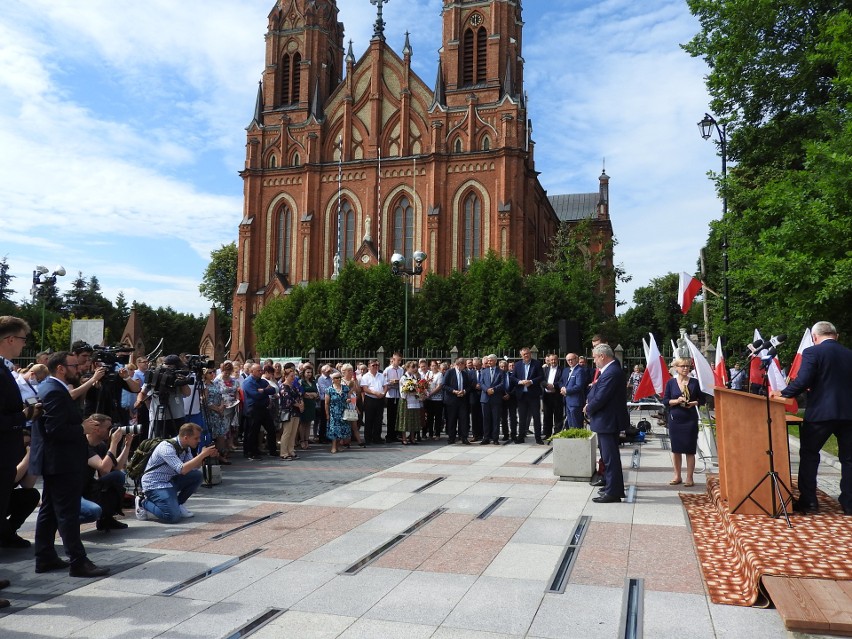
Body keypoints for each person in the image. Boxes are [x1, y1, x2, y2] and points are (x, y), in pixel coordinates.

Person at [32, 351, 109, 577]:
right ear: (61, 368)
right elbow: (54, 430)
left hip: (58, 460)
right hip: (62, 461)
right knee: (67, 512)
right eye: (75, 366)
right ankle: (78, 561)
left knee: (49, 511)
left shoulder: (52, 387)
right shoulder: (54, 391)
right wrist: (81, 429)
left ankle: (45, 556)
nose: (80, 369)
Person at [770, 321, 852, 515]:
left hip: (820, 415)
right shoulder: (849, 354)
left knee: (809, 455)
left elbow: (804, 379)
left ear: (815, 338)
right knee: (849, 460)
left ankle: (809, 502)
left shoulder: (813, 352)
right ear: (836, 336)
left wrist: (784, 393)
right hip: (849, 414)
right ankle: (849, 504)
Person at [0, 317, 36, 607]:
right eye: (23, 339)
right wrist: (21, 417)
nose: (25, 344)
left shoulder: (3, 367)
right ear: (10, 339)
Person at [136, 422, 218, 523]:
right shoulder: (166, 447)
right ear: (186, 437)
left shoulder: (185, 447)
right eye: (196, 438)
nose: (199, 441)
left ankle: (178, 504)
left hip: (170, 480)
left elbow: (194, 467)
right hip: (155, 484)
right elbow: (182, 470)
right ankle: (143, 502)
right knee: (172, 517)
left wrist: (205, 456)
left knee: (197, 476)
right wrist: (201, 455)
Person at [585, 344, 628, 503]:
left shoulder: (612, 372)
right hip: (606, 420)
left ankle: (614, 492)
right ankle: (611, 486)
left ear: (602, 356)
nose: (594, 361)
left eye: (595, 357)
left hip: (608, 421)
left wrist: (589, 407)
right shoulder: (610, 370)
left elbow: (602, 396)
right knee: (607, 457)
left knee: (610, 458)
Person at [80, 412, 135, 531]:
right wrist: (114, 443)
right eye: (108, 428)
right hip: (74, 493)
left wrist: (127, 445)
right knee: (93, 511)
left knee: (117, 477)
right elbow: (103, 467)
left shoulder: (100, 445)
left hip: (88, 487)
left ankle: (106, 519)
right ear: (97, 429)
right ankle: (65, 521)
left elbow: (114, 468)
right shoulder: (81, 445)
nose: (111, 431)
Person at [661, 358, 704, 487]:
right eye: (683, 366)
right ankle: (677, 475)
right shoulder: (671, 383)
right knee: (676, 449)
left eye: (688, 366)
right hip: (675, 419)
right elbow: (665, 401)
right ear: (676, 368)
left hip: (690, 418)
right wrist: (677, 400)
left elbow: (702, 399)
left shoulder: (695, 383)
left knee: (690, 449)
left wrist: (694, 403)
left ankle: (689, 477)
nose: (686, 368)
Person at [241, 363, 278, 460]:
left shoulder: (262, 381)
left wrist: (263, 391)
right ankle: (250, 452)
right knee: (252, 431)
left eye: (261, 370)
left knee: (271, 429)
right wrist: (264, 391)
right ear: (252, 371)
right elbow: (255, 395)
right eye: (258, 370)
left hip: (264, 409)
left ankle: (272, 450)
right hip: (253, 410)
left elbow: (273, 390)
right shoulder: (248, 382)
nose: (261, 372)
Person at [513, 347, 543, 444]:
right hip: (522, 395)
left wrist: (531, 381)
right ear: (521, 355)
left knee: (536, 417)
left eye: (527, 353)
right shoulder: (517, 365)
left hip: (533, 395)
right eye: (524, 354)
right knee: (522, 417)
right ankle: (521, 437)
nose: (526, 355)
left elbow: (541, 376)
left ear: (530, 354)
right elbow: (512, 377)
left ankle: (538, 438)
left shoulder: (537, 364)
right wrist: (520, 381)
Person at [202, 368, 230, 464]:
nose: (212, 374)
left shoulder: (214, 384)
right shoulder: (204, 386)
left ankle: (221, 455)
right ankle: (213, 456)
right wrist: (217, 409)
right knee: (212, 435)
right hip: (211, 413)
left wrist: (221, 407)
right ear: (205, 374)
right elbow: (206, 401)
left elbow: (221, 396)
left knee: (221, 434)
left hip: (219, 413)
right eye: (209, 373)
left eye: (213, 372)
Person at [443, 358, 472, 445]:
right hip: (452, 400)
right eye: (464, 364)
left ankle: (464, 437)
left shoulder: (465, 373)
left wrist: (464, 391)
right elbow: (444, 385)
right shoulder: (450, 372)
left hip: (462, 400)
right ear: (459, 364)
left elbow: (469, 386)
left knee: (463, 419)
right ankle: (451, 437)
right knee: (452, 419)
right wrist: (454, 391)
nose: (465, 366)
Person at [278, 364, 302, 461]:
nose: (293, 378)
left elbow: (299, 396)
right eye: (291, 376)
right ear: (286, 376)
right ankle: (283, 453)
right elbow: (288, 400)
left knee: (293, 433)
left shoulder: (294, 387)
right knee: (287, 433)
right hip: (288, 412)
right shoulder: (283, 386)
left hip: (296, 412)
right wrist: (298, 405)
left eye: (294, 376)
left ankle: (291, 450)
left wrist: (301, 404)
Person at [479, 355, 504, 445]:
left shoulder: (500, 372)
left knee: (496, 419)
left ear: (495, 361)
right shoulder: (484, 371)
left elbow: (502, 383)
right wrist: (487, 390)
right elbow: (481, 382)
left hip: (496, 398)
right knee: (486, 419)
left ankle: (495, 438)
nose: (489, 362)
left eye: (491, 360)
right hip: (485, 398)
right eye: (488, 361)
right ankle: (486, 437)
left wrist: (493, 389)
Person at [360, 360, 386, 444]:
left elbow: (385, 386)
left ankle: (377, 437)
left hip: (380, 399)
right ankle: (368, 438)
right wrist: (375, 393)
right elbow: (365, 389)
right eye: (373, 365)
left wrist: (383, 393)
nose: (375, 367)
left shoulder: (381, 375)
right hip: (370, 399)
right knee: (369, 419)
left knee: (379, 419)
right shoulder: (365, 376)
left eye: (377, 365)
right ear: (369, 366)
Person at [560, 353, 588, 430]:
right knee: (570, 424)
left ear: (576, 359)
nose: (570, 361)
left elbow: (579, 386)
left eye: (571, 359)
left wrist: (567, 391)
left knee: (576, 425)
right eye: (568, 360)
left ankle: (578, 441)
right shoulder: (568, 370)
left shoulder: (580, 370)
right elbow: (562, 381)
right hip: (568, 401)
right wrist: (562, 388)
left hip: (576, 402)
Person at [325, 372, 351, 453]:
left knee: (342, 428)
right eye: (336, 378)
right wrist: (327, 414)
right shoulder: (329, 389)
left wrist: (348, 400)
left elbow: (350, 398)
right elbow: (326, 403)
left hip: (343, 411)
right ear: (333, 379)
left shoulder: (345, 388)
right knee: (334, 429)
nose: (339, 379)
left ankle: (339, 445)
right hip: (333, 412)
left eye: (340, 377)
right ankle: (333, 446)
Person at [341, 364, 365, 447]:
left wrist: (355, 406)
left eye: (351, 370)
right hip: (344, 405)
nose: (351, 372)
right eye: (349, 370)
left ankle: (359, 441)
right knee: (345, 424)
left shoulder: (353, 381)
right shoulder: (341, 381)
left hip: (352, 405)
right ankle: (344, 441)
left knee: (354, 424)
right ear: (343, 371)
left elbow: (356, 394)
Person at [542, 353, 564, 440]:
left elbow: (562, 380)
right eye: (551, 360)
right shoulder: (545, 369)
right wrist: (546, 385)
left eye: (555, 360)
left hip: (557, 395)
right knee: (547, 415)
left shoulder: (562, 369)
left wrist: (554, 386)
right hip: (547, 395)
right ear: (549, 361)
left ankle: (557, 433)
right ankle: (547, 434)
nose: (553, 361)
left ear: (557, 360)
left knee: (558, 415)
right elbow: (541, 380)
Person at [383, 353, 404, 443]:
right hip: (390, 395)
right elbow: (384, 381)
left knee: (397, 416)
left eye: (400, 360)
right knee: (390, 416)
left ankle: (396, 434)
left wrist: (399, 382)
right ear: (393, 359)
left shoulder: (401, 370)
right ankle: (389, 435)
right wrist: (391, 382)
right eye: (397, 360)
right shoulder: (388, 369)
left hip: (398, 394)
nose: (399, 362)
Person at [298, 365, 319, 449]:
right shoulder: (301, 382)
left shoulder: (313, 382)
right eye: (307, 372)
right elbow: (302, 393)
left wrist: (313, 395)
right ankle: (302, 441)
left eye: (310, 372)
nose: (309, 374)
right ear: (304, 373)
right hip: (304, 404)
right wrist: (311, 395)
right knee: (303, 423)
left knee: (309, 423)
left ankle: (307, 440)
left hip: (312, 404)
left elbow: (317, 393)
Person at [423, 360, 444, 440]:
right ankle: (430, 434)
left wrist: (430, 393)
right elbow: (424, 384)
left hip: (437, 399)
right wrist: (425, 392)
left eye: (435, 365)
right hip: (429, 399)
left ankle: (437, 434)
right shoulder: (428, 374)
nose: (433, 367)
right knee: (429, 417)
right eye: (432, 366)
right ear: (430, 367)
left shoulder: (439, 375)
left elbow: (439, 387)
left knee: (438, 417)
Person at [498, 359, 518, 442]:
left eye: (504, 366)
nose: (503, 368)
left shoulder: (512, 375)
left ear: (507, 367)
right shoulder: (498, 376)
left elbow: (516, 386)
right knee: (503, 418)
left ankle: (513, 434)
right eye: (501, 367)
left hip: (512, 398)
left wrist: (509, 394)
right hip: (502, 399)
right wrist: (503, 395)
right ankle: (505, 434)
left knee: (513, 417)